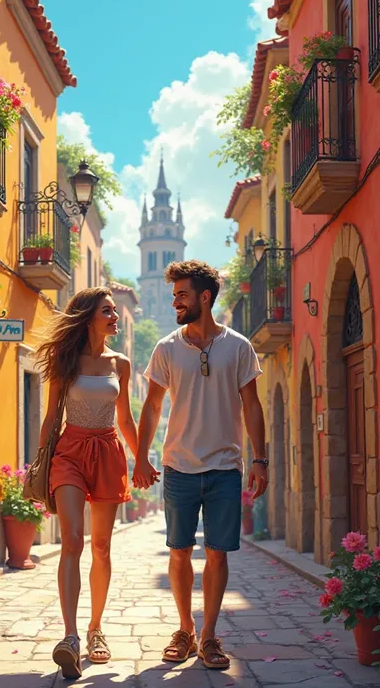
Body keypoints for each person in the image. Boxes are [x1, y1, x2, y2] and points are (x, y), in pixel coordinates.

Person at [133, 260, 268, 670]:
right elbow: (153, 405)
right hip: (178, 466)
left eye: (182, 295)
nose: (175, 301)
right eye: (174, 295)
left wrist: (259, 458)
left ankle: (208, 635)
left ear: (204, 298)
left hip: (226, 466)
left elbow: (252, 405)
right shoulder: (166, 348)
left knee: (217, 554)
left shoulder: (239, 346)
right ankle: (184, 629)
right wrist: (140, 456)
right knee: (178, 552)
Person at [35, 287, 139, 679]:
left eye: (114, 310)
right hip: (71, 451)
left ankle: (96, 628)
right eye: (107, 311)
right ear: (88, 317)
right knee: (73, 540)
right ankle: (71, 636)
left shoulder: (121, 364)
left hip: (109, 452)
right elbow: (49, 418)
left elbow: (126, 419)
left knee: (102, 546)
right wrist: (40, 465)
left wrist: (141, 457)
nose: (114, 317)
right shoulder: (65, 361)